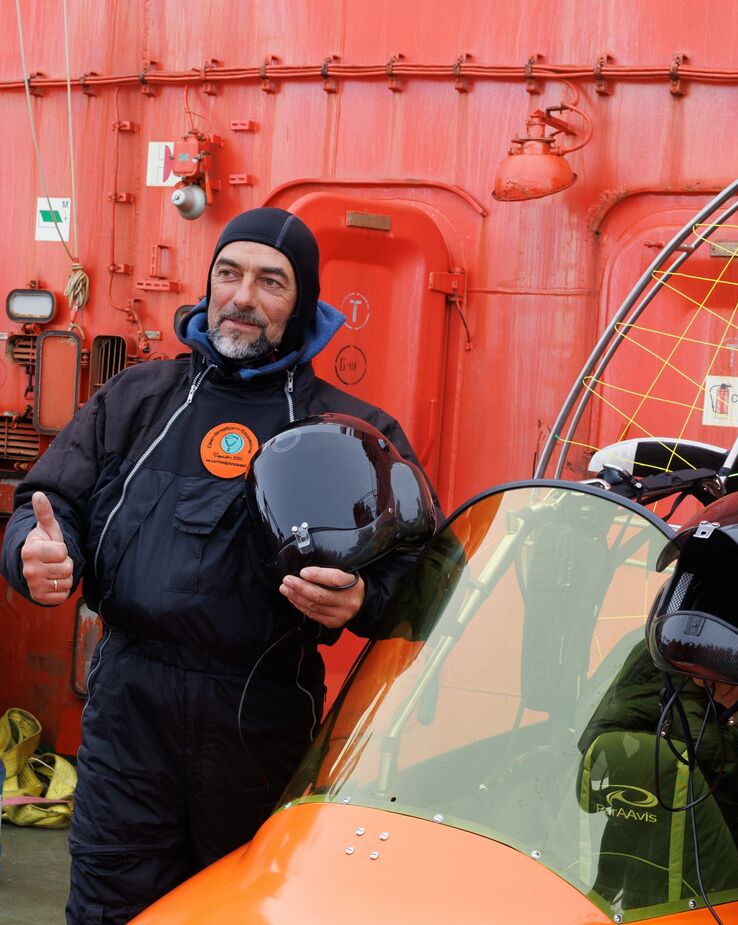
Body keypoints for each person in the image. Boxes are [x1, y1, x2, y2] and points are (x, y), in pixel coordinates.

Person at [1, 207, 436, 924]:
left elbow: (424, 565)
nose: (242, 296)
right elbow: (48, 502)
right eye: (228, 274)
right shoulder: (135, 399)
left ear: (303, 303)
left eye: (271, 281)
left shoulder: (350, 430)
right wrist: (33, 552)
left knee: (244, 910)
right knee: (109, 906)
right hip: (127, 713)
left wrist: (365, 600)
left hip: (261, 717)